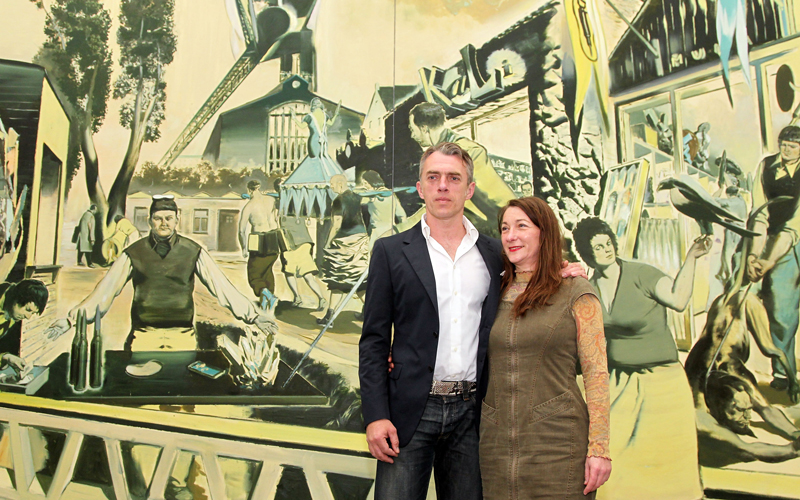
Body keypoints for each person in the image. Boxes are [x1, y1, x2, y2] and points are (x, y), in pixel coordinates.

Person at [359, 142, 584, 500]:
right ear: (420, 188)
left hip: (475, 416)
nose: (443, 186)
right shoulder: (389, 252)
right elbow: (372, 341)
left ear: (470, 189)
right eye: (433, 177)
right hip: (407, 415)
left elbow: (534, 273)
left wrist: (565, 269)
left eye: (453, 177)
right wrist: (375, 415)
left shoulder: (495, 253)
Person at [480, 197, 611, 499]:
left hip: (558, 447)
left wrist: (600, 449)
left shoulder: (577, 291)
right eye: (504, 228)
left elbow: (596, 373)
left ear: (545, 232)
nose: (511, 235)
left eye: (521, 226)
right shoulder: (491, 291)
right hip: (495, 449)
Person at [572, 217, 709, 500]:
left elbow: (678, 298)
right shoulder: (588, 287)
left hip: (663, 382)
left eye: (607, 243)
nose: (606, 250)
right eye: (598, 247)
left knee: (669, 466)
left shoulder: (641, 274)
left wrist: (692, 257)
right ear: (588, 254)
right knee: (614, 461)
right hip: (619, 383)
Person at [46, 196, 276, 351]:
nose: (163, 223)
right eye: (158, 218)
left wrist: (254, 317)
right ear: (149, 221)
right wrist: (71, 320)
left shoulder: (193, 251)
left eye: (168, 218)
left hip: (183, 337)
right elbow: (104, 293)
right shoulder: (133, 252)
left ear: (177, 220)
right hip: (142, 336)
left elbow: (222, 289)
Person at [408, 102, 515, 237]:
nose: (412, 136)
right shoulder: (440, 153)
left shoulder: (469, 152)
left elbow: (495, 200)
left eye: (413, 130)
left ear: (424, 128)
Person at [747, 125, 800, 392]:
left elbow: (794, 227)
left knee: (782, 311)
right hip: (764, 236)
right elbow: (759, 213)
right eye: (783, 144)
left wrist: (771, 261)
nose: (786, 149)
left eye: (793, 145)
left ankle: (783, 373)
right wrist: (755, 253)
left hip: (792, 243)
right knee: (742, 296)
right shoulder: (766, 166)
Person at [695, 371, 800, 467]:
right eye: (740, 410)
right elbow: (747, 450)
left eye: (748, 409)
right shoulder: (703, 421)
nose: (747, 417)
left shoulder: (738, 389)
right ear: (718, 406)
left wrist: (795, 433)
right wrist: (793, 449)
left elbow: (765, 408)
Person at [318, 174, 369, 326]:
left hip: (344, 243)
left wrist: (327, 244)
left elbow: (336, 224)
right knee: (359, 280)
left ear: (340, 183)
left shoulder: (338, 201)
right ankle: (371, 314)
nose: (331, 187)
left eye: (332, 184)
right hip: (360, 241)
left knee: (338, 279)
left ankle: (330, 317)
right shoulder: (358, 198)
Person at [274, 178, 327, 310]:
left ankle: (316, 298)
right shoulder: (294, 200)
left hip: (296, 243)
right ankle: (305, 298)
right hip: (294, 242)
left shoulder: (285, 202)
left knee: (301, 273)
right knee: (292, 272)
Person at [239, 180, 280, 312]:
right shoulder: (270, 200)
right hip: (273, 238)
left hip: (258, 239)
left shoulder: (249, 206)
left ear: (249, 190)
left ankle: (269, 295)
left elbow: (241, 230)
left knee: (254, 273)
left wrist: (244, 247)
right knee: (267, 271)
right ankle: (265, 304)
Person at [0, 279, 48, 377]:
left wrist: (6, 357)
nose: (28, 317)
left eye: (32, 313)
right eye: (28, 310)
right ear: (16, 298)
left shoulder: (12, 313)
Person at [358, 170, 407, 249]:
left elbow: (361, 202)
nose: (364, 186)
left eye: (365, 183)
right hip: (392, 232)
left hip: (377, 233)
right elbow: (402, 216)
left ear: (372, 182)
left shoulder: (371, 197)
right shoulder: (391, 195)